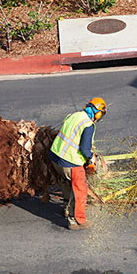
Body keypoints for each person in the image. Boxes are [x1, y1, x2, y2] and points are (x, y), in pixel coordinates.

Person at [49, 97, 107, 230]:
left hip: (55, 156)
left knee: (65, 181)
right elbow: (85, 149)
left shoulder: (74, 115)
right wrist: (91, 159)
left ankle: (65, 207)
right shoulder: (88, 125)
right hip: (70, 160)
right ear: (98, 114)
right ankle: (76, 220)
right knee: (80, 188)